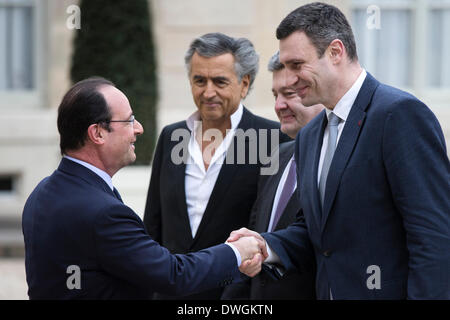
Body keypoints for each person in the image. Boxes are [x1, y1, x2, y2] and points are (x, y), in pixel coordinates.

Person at [229, 2, 450, 299]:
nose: (290, 77)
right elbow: (317, 232)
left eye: (297, 65)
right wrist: (266, 247)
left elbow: (434, 238)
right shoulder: (309, 136)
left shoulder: (399, 115)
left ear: (335, 52)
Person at [22, 77, 263, 300]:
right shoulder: (102, 213)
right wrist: (236, 252)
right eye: (128, 120)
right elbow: (174, 276)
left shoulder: (42, 193)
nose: (138, 128)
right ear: (97, 133)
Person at [143, 32, 290, 300]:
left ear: (244, 84)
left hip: (235, 297)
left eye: (220, 81)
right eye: (200, 80)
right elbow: (153, 225)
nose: (208, 92)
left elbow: (273, 229)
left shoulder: (272, 140)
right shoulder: (172, 137)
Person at [222, 52, 323, 300]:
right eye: (275, 95)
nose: (278, 105)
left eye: (289, 94)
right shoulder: (278, 155)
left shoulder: (339, 162)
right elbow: (258, 240)